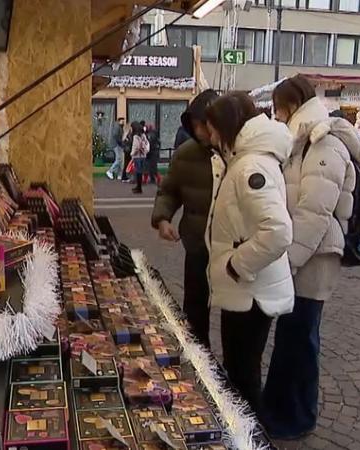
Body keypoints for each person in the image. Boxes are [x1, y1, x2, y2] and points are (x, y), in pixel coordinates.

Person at [260, 75, 360, 440]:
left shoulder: (323, 144)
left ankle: (298, 417)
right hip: (303, 255)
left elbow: (314, 213)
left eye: (278, 108)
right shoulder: (304, 139)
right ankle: (278, 409)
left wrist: (288, 262)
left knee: (302, 340)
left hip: (314, 257)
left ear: (290, 106)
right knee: (292, 338)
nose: (276, 116)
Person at [204, 92, 294, 414]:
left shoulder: (250, 166)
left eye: (213, 129)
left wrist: (237, 265)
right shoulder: (244, 161)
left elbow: (279, 231)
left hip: (250, 293)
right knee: (240, 373)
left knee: (244, 377)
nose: (210, 137)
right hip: (246, 291)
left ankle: (252, 438)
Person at [151, 89, 219, 348]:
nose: (201, 132)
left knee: (236, 321)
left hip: (233, 250)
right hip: (197, 244)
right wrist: (163, 218)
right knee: (195, 309)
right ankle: (198, 359)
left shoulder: (236, 152)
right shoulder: (186, 153)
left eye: (204, 125)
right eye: (196, 126)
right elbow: (169, 190)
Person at [129, 121, 150, 194]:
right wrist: (145, 151)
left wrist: (132, 154)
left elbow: (136, 147)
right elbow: (147, 143)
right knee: (140, 171)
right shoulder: (143, 135)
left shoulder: (135, 136)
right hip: (143, 155)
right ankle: (139, 187)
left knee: (138, 172)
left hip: (137, 156)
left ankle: (138, 187)